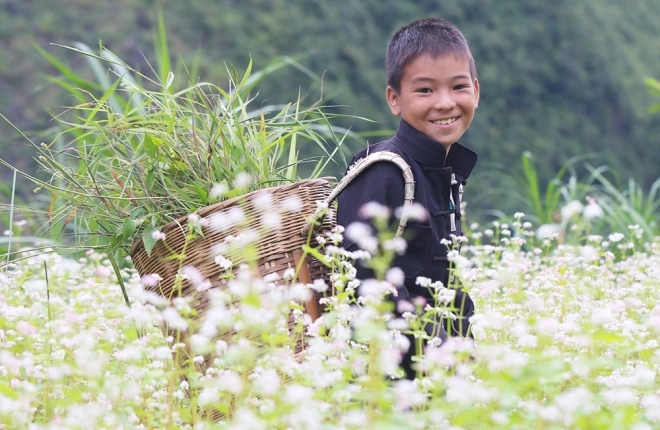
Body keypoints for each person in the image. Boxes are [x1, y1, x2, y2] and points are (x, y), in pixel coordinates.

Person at [336, 17, 480, 379]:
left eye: (458, 86)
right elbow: (360, 277)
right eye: (425, 91)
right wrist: (440, 347)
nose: (445, 103)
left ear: (475, 90)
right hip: (384, 383)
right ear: (394, 99)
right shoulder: (385, 170)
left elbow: (445, 286)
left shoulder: (444, 175)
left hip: (430, 378)